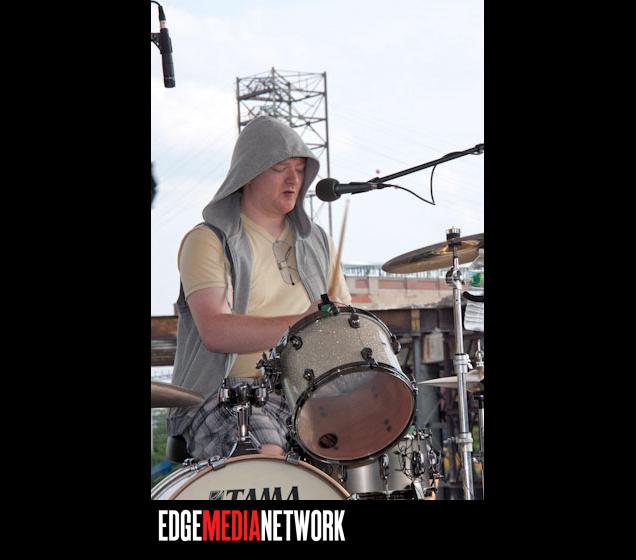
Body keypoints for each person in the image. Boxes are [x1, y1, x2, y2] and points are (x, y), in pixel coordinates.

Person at [167, 116, 351, 461]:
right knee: (265, 451)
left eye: (300, 169)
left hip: (304, 391)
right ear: (248, 173)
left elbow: (342, 324)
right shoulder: (208, 240)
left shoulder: (318, 242)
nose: (294, 179)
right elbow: (216, 331)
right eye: (280, 168)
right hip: (224, 393)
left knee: (369, 434)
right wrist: (303, 322)